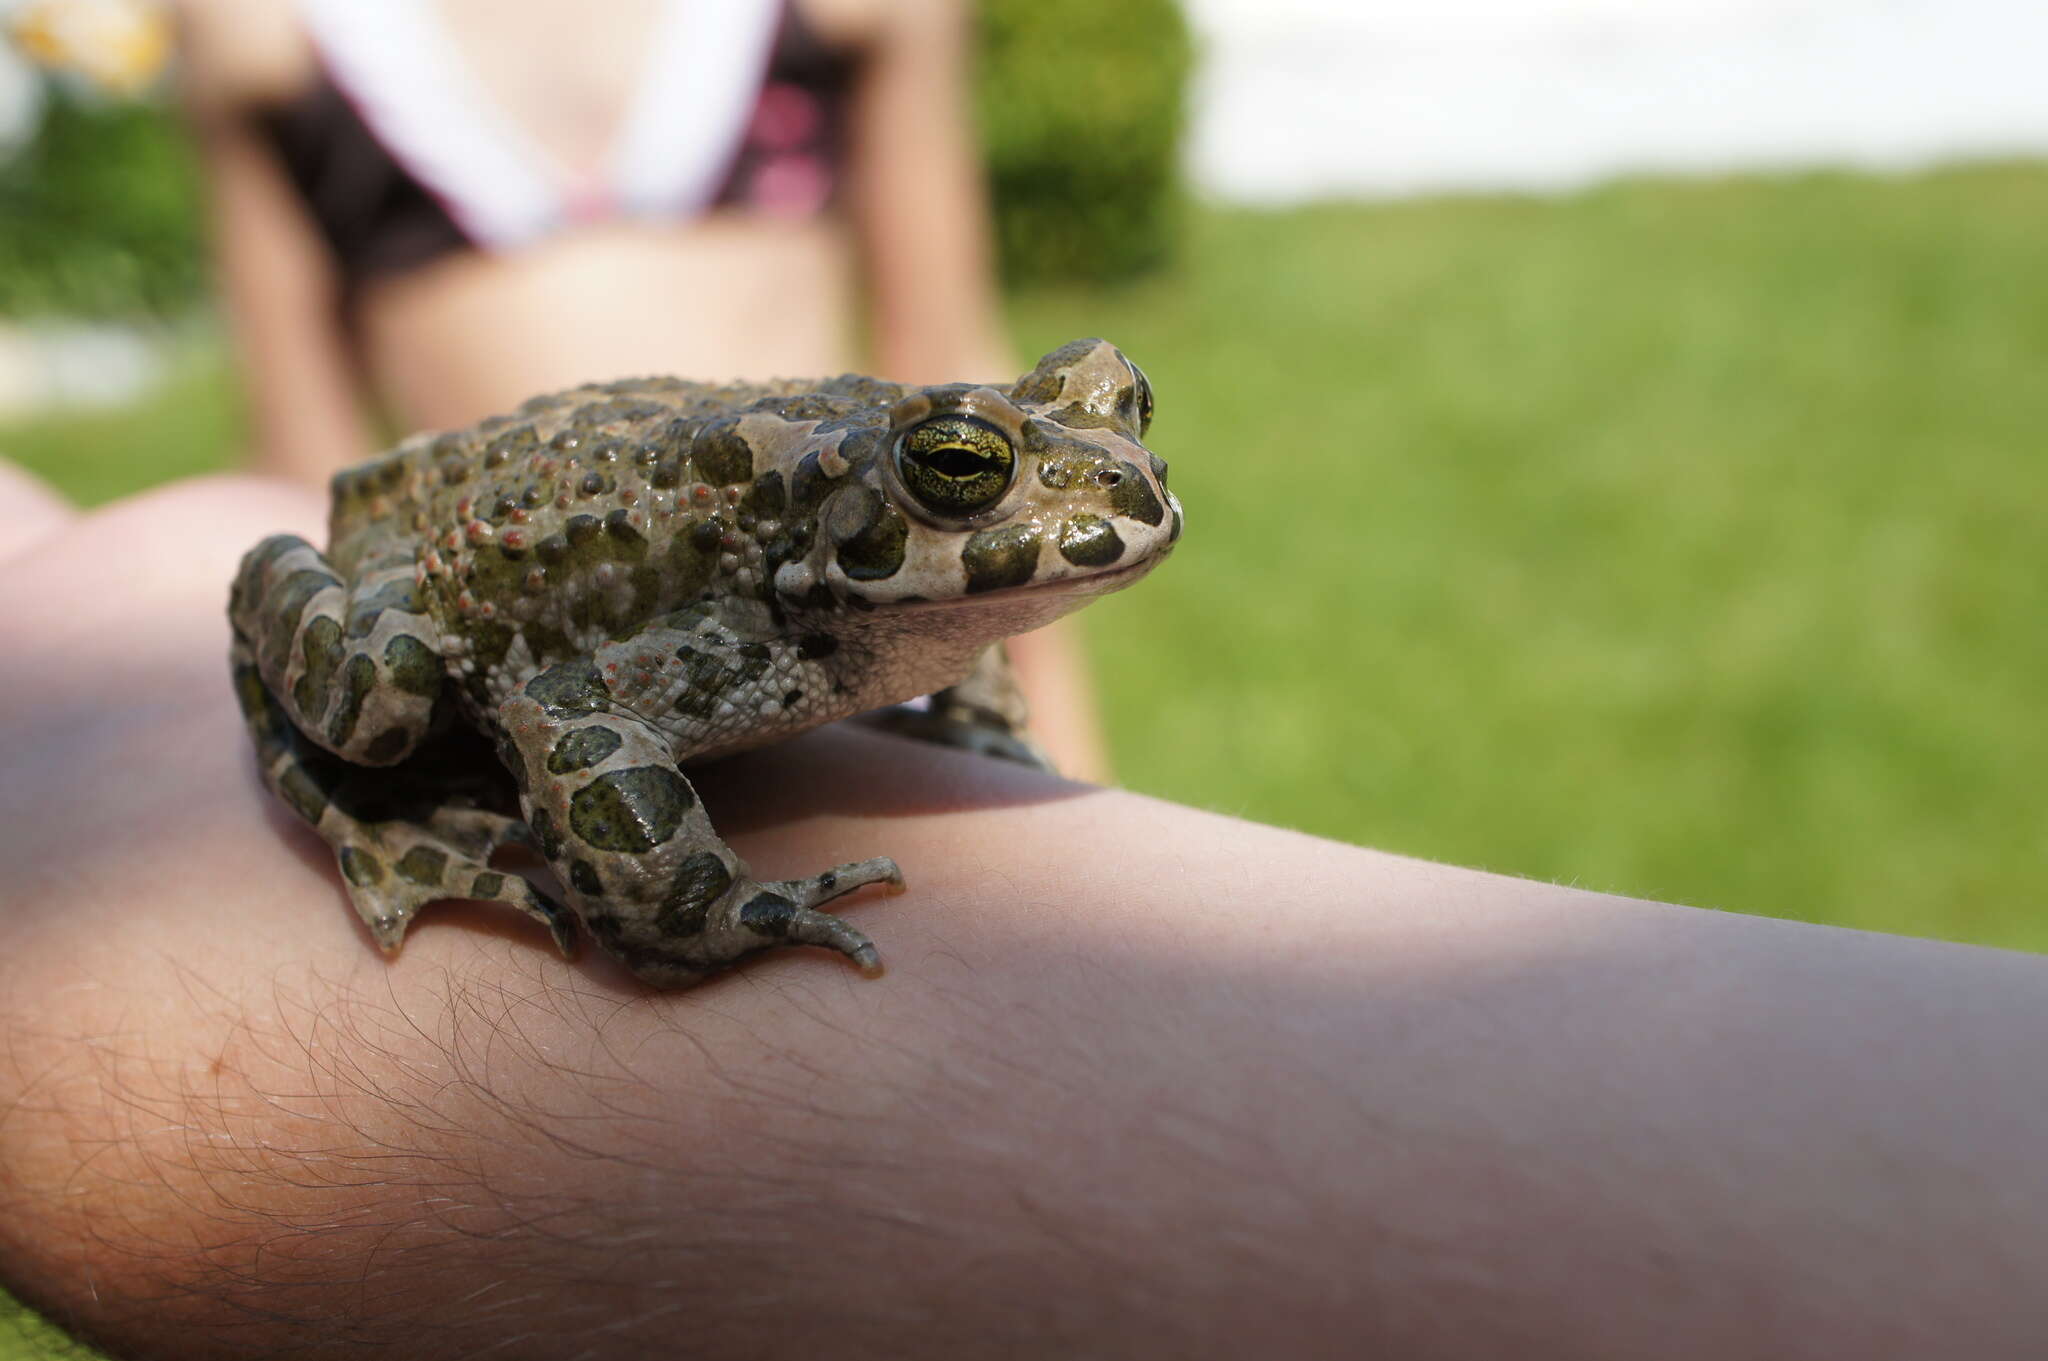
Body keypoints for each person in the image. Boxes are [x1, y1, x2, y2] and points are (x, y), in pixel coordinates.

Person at [4, 467, 2048, 1359]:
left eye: (1090, 430)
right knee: (379, 700)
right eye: (970, 476)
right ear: (864, 514)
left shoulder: (864, 610)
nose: (1096, 498)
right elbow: (557, 694)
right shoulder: (726, 627)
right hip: (437, 550)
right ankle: (339, 798)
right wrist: (694, 916)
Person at [171, 0, 1107, 778]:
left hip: (818, 544)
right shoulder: (258, 30)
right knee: (371, 698)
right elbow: (301, 443)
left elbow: (962, 377)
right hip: (497, 578)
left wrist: (1064, 778)